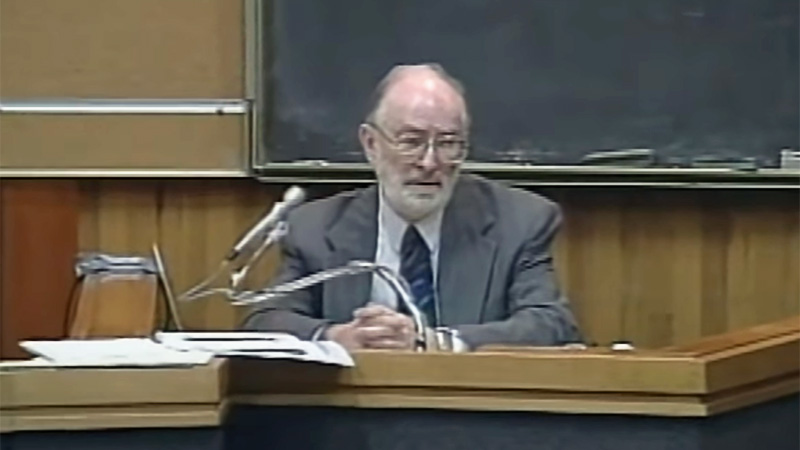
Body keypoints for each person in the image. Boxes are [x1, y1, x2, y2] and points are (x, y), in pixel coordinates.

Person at [241, 63, 581, 351]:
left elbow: (550, 325)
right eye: (411, 142)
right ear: (371, 144)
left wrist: (431, 341)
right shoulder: (314, 228)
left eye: (448, 143)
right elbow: (265, 322)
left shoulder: (520, 221)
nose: (430, 162)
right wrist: (336, 336)